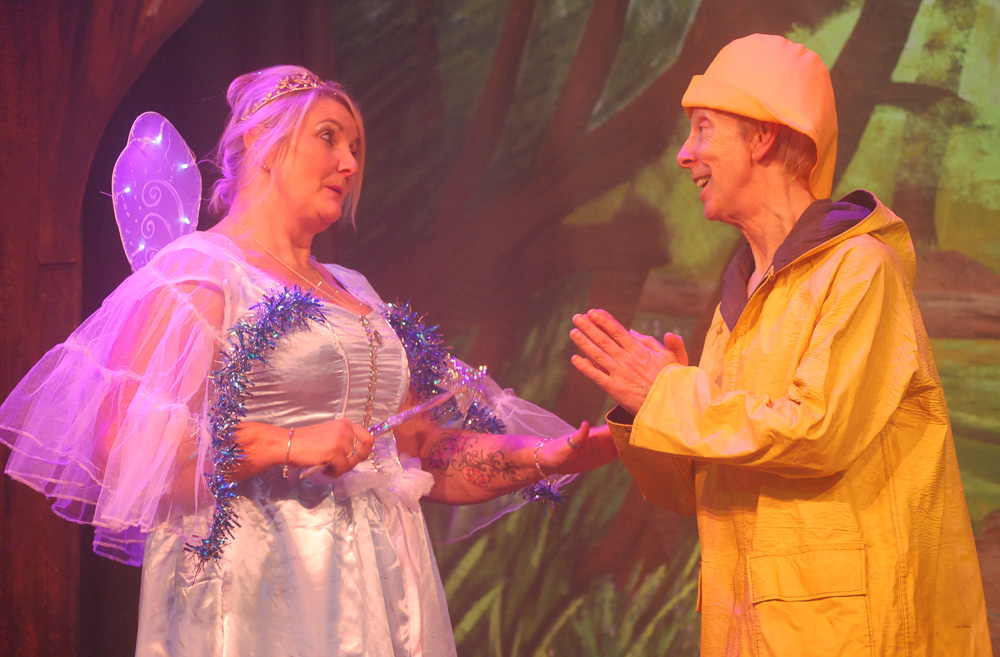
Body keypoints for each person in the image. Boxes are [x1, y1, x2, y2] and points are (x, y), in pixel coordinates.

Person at [0, 65, 616, 656]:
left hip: (385, 592)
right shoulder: (202, 274)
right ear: (260, 141)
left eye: (355, 148)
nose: (349, 163)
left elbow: (419, 452)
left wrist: (545, 457)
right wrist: (285, 444)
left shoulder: (357, 291)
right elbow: (128, 450)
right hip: (265, 589)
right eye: (328, 137)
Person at [569, 34, 991, 656]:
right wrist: (647, 407)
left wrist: (672, 395)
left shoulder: (859, 270)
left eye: (704, 129)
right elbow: (689, 492)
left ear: (763, 137)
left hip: (851, 634)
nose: (685, 154)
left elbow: (815, 432)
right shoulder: (739, 301)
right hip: (749, 631)